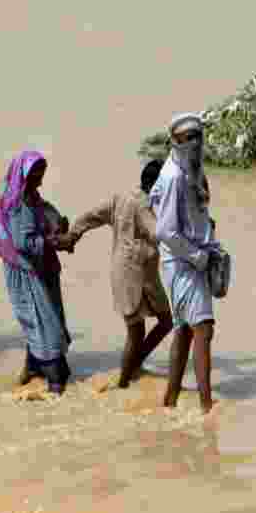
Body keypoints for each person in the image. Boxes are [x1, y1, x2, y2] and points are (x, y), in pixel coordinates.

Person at [58, 159, 174, 388]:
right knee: (137, 331)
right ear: (156, 185)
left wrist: (74, 234)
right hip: (131, 275)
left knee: (165, 321)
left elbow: (92, 215)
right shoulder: (143, 207)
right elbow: (159, 234)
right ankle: (123, 382)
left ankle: (133, 364)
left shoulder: (121, 197)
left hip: (139, 273)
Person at [149, 113, 222, 413]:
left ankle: (170, 400)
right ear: (175, 142)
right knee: (203, 329)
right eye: (187, 138)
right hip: (183, 263)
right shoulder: (173, 176)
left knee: (184, 330)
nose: (193, 143)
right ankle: (207, 406)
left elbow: (156, 201)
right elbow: (164, 231)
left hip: (190, 258)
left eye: (197, 136)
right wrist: (198, 255)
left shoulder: (190, 169)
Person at [0, 150, 74, 394]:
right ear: (23, 175)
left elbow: (49, 215)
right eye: (36, 174)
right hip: (26, 270)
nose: (40, 179)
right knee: (43, 323)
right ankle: (53, 383)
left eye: (42, 173)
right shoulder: (17, 204)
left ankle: (32, 368)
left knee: (44, 319)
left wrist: (60, 225)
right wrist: (53, 242)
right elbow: (23, 242)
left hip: (42, 267)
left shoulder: (32, 198)